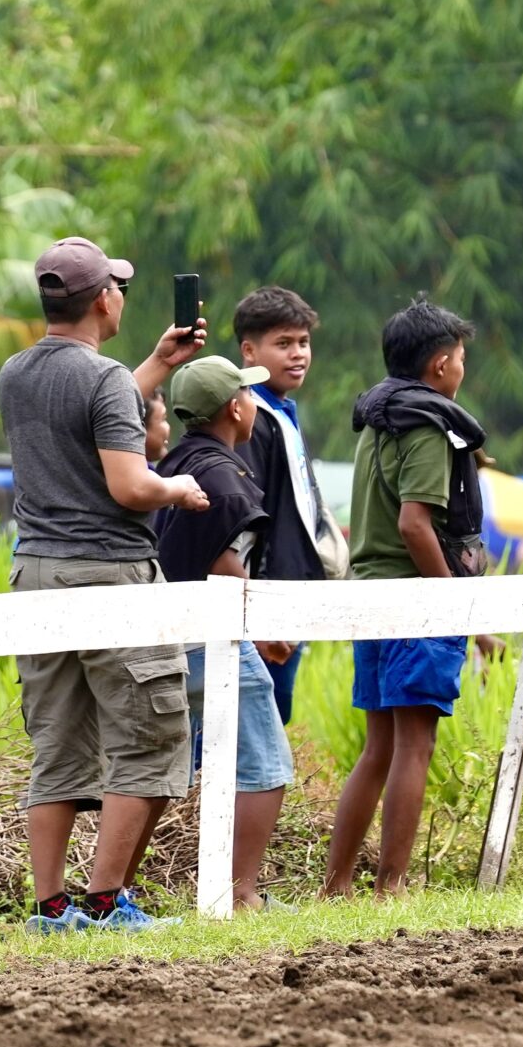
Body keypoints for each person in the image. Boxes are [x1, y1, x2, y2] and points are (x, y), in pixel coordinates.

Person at [0, 237, 211, 933]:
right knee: (151, 733)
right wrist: (177, 485)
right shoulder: (106, 379)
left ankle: (52, 906)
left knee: (59, 740)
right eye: (117, 285)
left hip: (36, 571)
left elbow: (87, 412)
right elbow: (127, 481)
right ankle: (107, 899)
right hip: (110, 574)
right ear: (103, 300)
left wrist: (155, 365)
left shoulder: (16, 373)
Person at [324, 299, 491, 898]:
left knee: (379, 746)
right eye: (463, 358)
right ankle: (390, 884)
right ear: (442, 365)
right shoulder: (426, 424)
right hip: (415, 595)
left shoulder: (378, 418)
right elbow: (416, 526)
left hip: (370, 592)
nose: (463, 368)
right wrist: (454, 605)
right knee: (415, 745)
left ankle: (336, 884)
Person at [152, 355, 296, 910]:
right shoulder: (227, 477)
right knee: (265, 764)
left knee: (159, 773)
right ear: (236, 407)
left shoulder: (173, 462)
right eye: (249, 395)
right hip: (210, 639)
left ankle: (113, 895)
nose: (256, 404)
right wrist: (261, 631)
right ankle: (240, 894)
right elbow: (224, 564)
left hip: (164, 639)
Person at [232, 285, 335, 723]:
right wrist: (255, 614)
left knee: (274, 718)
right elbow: (241, 522)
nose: (298, 354)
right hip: (260, 603)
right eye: (284, 344)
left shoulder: (283, 412)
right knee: (247, 732)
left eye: (304, 342)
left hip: (290, 597)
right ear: (249, 351)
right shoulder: (247, 417)